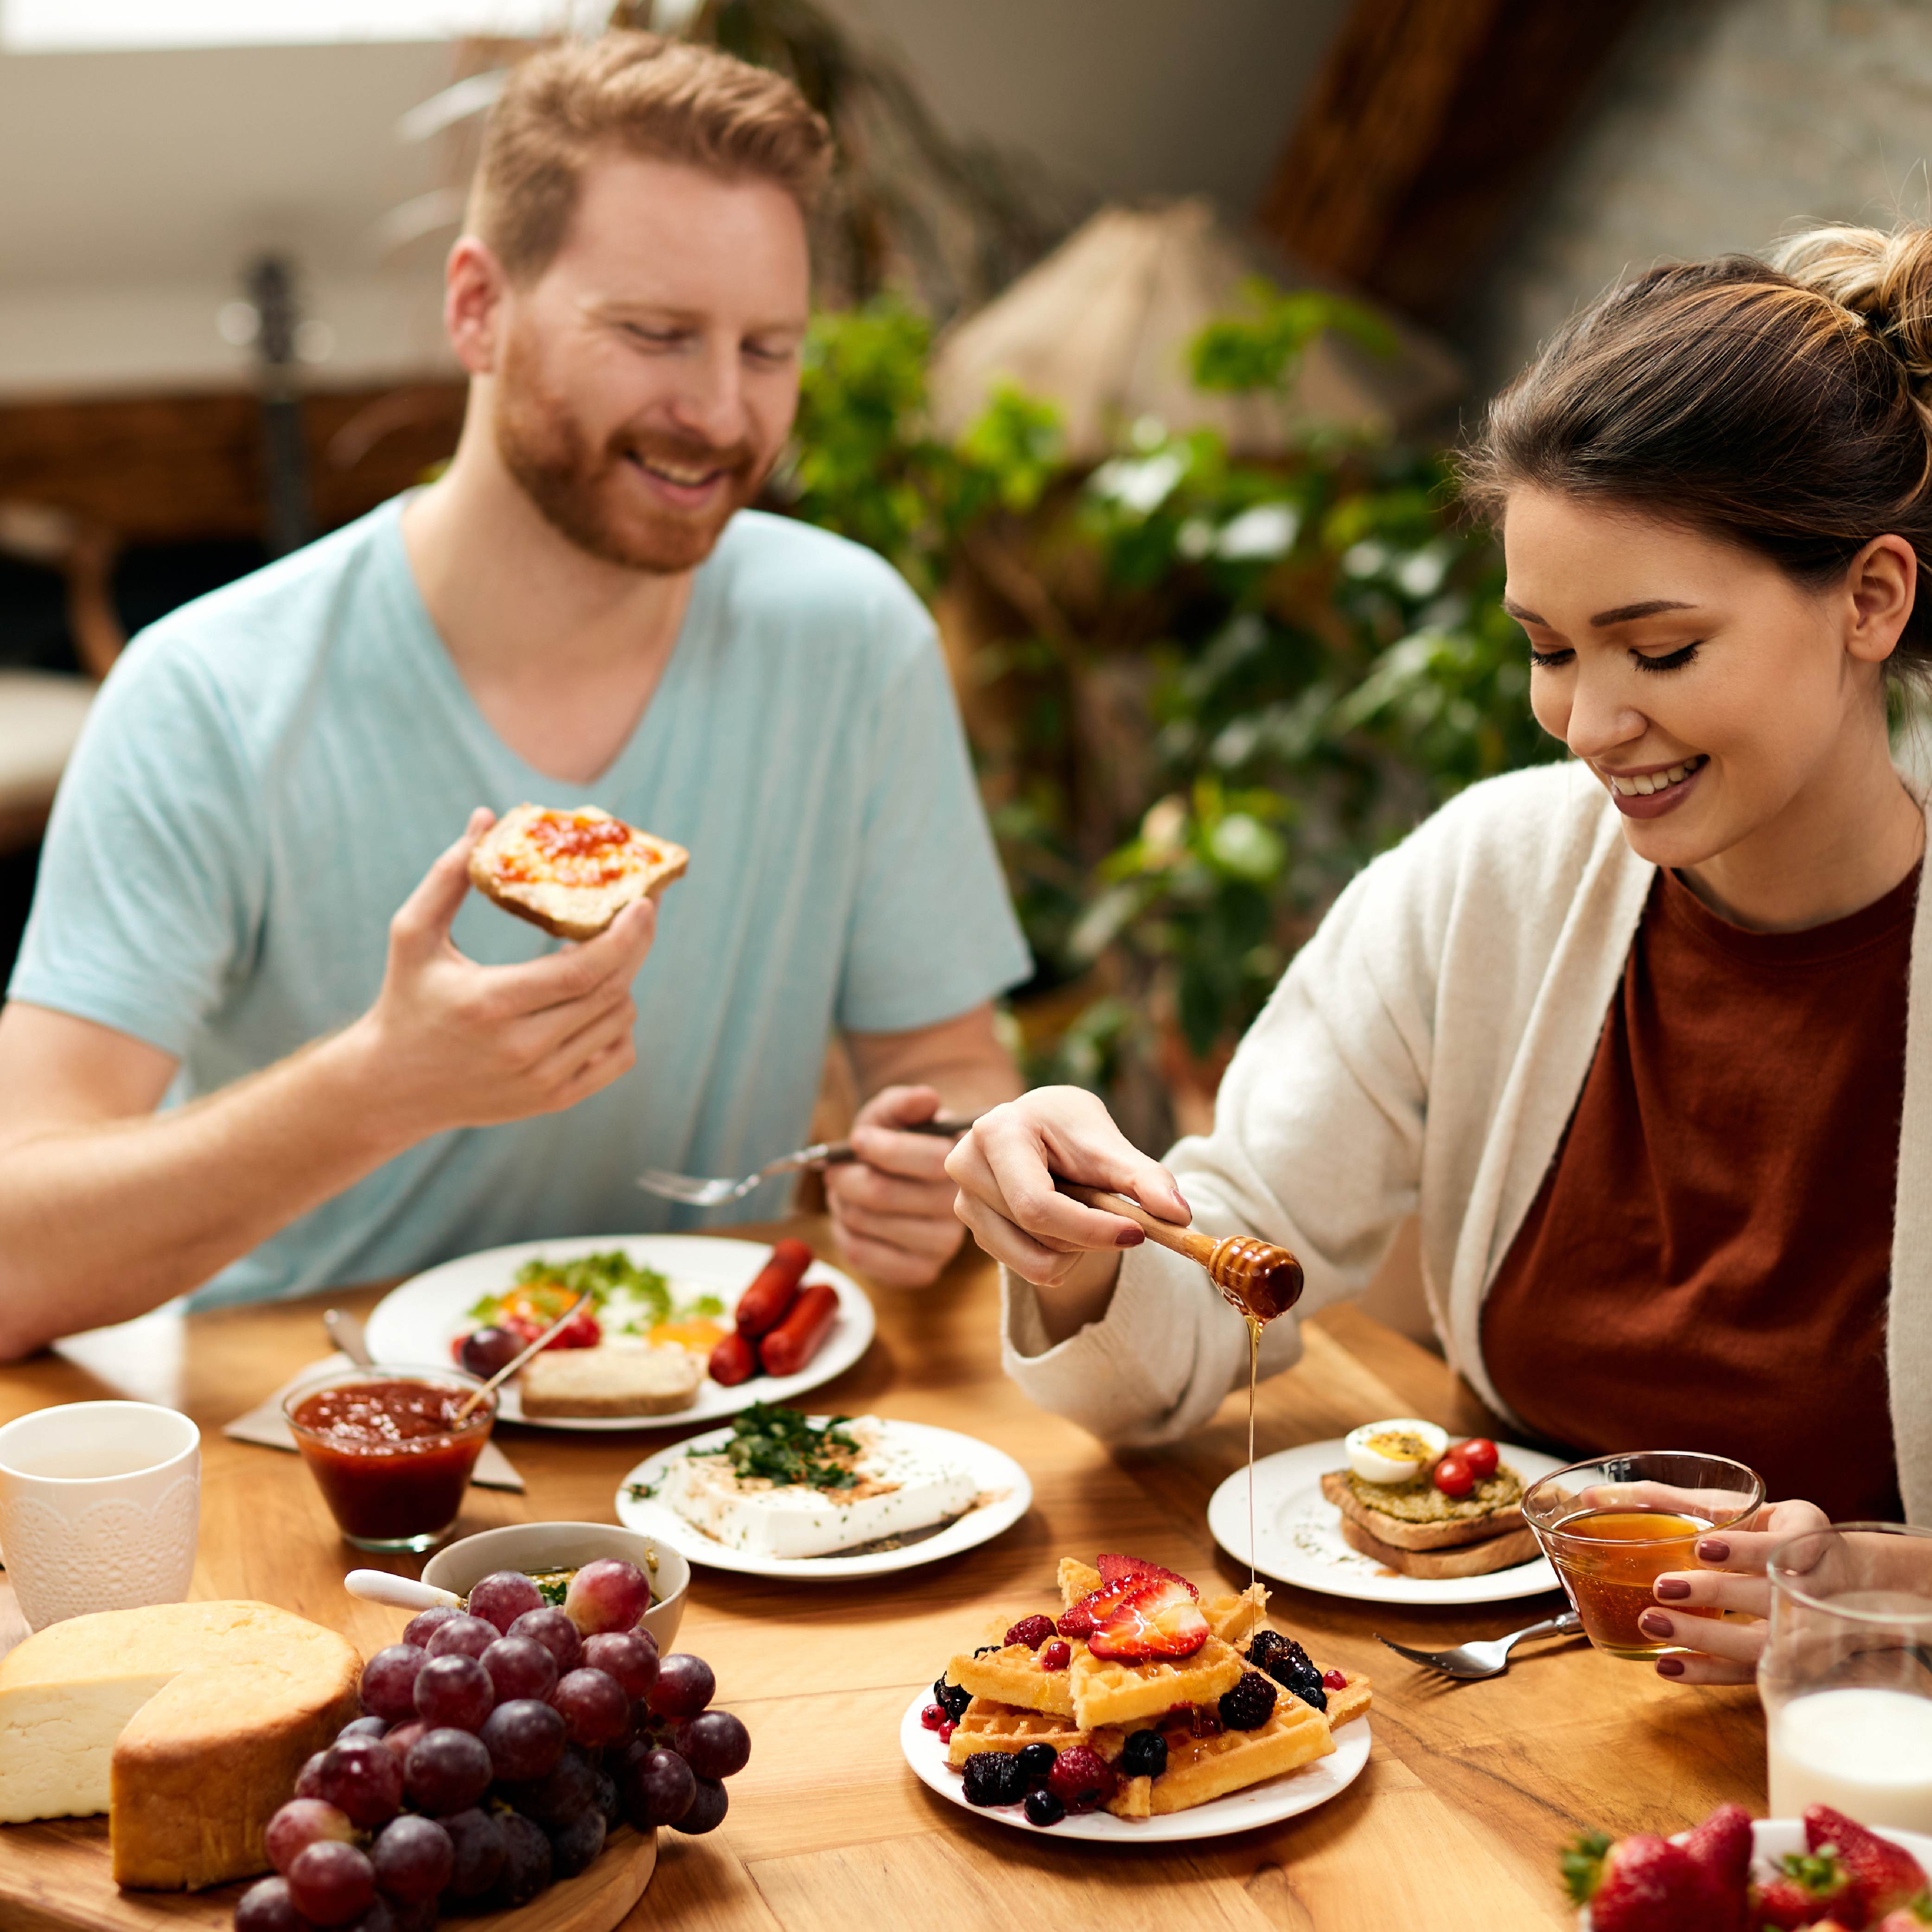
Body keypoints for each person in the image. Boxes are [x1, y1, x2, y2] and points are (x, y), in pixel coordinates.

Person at [948, 221, 1932, 1688]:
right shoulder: (1496, 875)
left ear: (1871, 599)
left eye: (1658, 652)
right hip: (1509, 1702)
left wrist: (1875, 1587)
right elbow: (1234, 1255)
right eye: (1549, 648)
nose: (1589, 722)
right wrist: (1081, 1227)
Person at [0, 32, 1028, 1354]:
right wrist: (378, 1087)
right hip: (331, 1457)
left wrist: (932, 1178)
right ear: (477, 305)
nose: (722, 414)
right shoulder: (209, 692)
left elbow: (948, 1076)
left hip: (729, 1430)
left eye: (769, 349)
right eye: (656, 334)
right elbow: (15, 1257)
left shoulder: (854, 638)